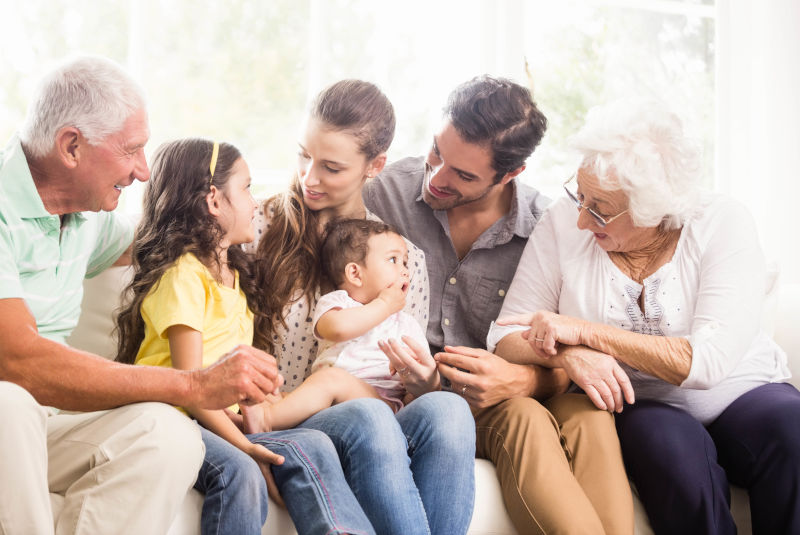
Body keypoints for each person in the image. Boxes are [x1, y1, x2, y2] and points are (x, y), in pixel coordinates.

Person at [490, 97, 800, 534]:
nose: (581, 219)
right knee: (671, 450)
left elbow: (706, 363)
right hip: (641, 402)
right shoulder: (563, 223)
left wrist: (584, 333)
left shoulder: (721, 222)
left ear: (655, 211)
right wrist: (566, 356)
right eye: (579, 196)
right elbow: (504, 335)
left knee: (793, 431)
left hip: (741, 391)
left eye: (599, 207)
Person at [0, 56, 282, 534]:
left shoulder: (83, 220)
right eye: (131, 150)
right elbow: (17, 361)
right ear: (71, 147)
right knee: (8, 404)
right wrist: (194, 385)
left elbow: (165, 232)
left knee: (168, 434)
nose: (144, 171)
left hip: (45, 426)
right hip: (8, 412)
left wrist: (254, 213)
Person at [364, 75, 634, 534]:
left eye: (464, 175)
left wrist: (525, 378)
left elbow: (564, 352)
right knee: (523, 415)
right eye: (436, 152)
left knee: (589, 413)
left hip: (502, 393)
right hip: (426, 404)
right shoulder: (382, 192)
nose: (437, 177)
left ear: (511, 174)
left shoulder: (544, 229)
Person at [116, 138, 389, 535]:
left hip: (221, 418)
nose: (256, 202)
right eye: (246, 188)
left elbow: (234, 370)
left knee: (313, 442)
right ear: (213, 200)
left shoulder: (234, 279)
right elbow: (191, 387)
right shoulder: (183, 277)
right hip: (178, 417)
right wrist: (248, 446)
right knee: (240, 473)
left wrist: (259, 412)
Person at [249, 79, 475, 535]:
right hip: (295, 415)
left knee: (450, 410)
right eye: (303, 156)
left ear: (375, 166)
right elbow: (219, 338)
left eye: (331, 167)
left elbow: (412, 393)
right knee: (368, 415)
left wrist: (424, 380)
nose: (309, 178)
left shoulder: (400, 257)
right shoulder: (254, 226)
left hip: (376, 412)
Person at [243, 219, 432, 433]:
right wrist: (385, 305)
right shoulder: (337, 303)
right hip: (332, 401)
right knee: (284, 393)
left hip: (383, 403)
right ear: (355, 274)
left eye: (405, 262)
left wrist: (414, 380)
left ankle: (267, 420)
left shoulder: (406, 323)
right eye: (393, 260)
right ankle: (262, 418)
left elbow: (422, 377)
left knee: (330, 380)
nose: (405, 270)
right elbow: (336, 329)